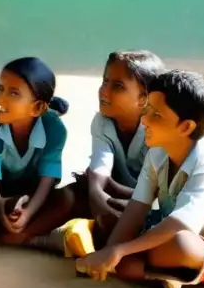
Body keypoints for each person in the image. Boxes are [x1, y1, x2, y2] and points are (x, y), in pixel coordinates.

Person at [76, 71, 204, 288]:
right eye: (146, 109)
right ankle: (161, 275)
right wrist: (110, 251)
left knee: (179, 242)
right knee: (113, 220)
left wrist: (120, 251)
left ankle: (157, 271)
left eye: (156, 114)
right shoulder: (158, 151)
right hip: (164, 231)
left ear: (186, 127)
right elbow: (138, 207)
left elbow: (180, 224)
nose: (144, 119)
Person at [0, 57, 74, 250]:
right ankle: (25, 239)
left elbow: (47, 180)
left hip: (34, 197)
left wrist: (28, 212)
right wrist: (1, 208)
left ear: (38, 107)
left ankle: (10, 236)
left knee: (66, 199)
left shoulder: (54, 128)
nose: (1, 98)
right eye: (0, 88)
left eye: (14, 93)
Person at [55, 51, 165, 258]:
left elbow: (156, 193)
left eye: (118, 86)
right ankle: (39, 238)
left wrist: (104, 190)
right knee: (68, 195)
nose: (104, 91)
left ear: (144, 98)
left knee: (142, 217)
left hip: (147, 202)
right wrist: (96, 192)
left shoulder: (157, 130)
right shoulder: (103, 122)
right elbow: (101, 165)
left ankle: (80, 239)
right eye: (105, 81)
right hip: (115, 197)